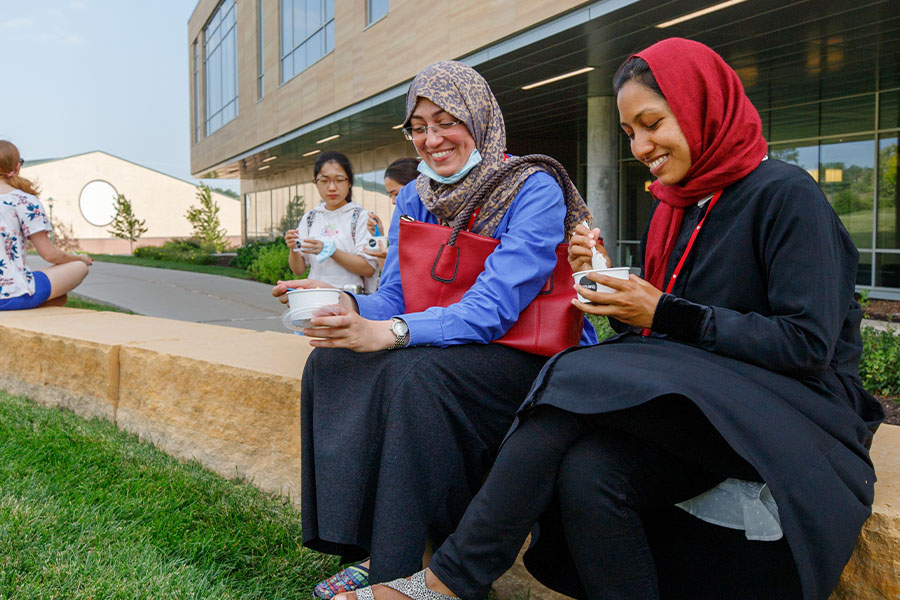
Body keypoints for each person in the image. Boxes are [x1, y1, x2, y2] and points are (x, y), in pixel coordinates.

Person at [336, 38, 885, 600]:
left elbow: (806, 345)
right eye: (629, 133)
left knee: (574, 377)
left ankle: (447, 581)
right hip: (704, 402)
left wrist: (662, 310)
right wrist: (611, 292)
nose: (642, 146)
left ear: (703, 107)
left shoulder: (787, 196)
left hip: (794, 408)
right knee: (591, 472)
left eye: (652, 123)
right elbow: (659, 330)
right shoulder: (674, 206)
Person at [271, 61, 594, 599]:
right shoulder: (417, 196)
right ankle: (365, 543)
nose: (431, 138)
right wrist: (339, 302)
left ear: (480, 117)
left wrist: (390, 333)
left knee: (419, 377)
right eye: (419, 126)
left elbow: (493, 309)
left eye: (447, 121)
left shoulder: (533, 186)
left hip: (531, 354)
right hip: (453, 340)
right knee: (331, 359)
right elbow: (395, 295)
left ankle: (395, 574)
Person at [0, 140, 92, 310]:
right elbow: (50, 255)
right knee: (78, 268)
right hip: (11, 295)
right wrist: (80, 258)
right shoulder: (23, 200)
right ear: (17, 167)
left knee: (57, 296)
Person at [285, 151, 377, 292]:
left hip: (350, 298)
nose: (332, 187)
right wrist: (293, 249)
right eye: (324, 181)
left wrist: (330, 251)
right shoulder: (310, 219)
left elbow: (368, 269)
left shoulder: (360, 217)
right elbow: (299, 270)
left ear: (349, 182)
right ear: (315, 182)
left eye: (339, 180)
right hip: (315, 296)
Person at [365, 157, 419, 271]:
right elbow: (388, 271)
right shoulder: (399, 223)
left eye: (396, 194)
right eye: (391, 195)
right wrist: (378, 236)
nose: (393, 201)